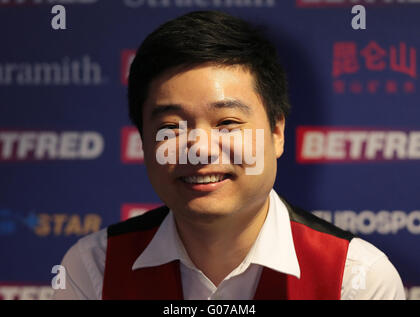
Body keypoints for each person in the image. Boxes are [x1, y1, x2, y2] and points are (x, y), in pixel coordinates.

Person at [53, 10, 405, 300]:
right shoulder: (95, 268)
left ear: (277, 132)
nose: (200, 149)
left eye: (227, 122)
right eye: (172, 126)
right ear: (144, 141)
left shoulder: (355, 278)